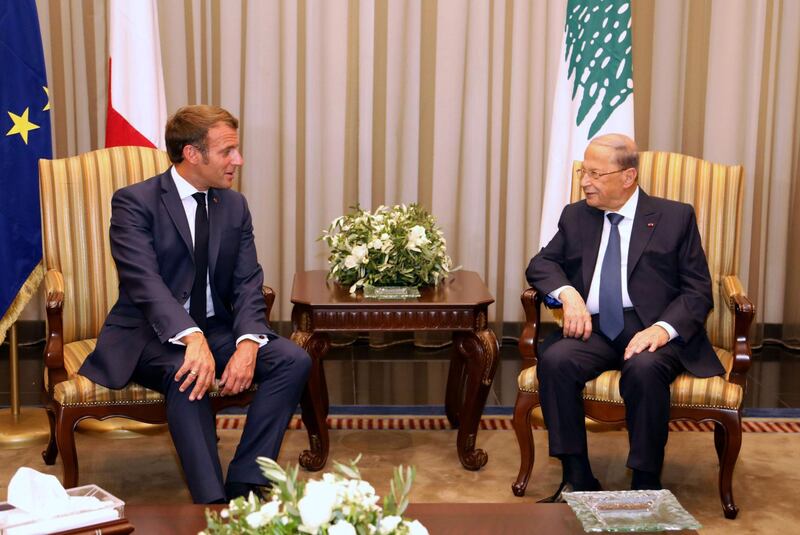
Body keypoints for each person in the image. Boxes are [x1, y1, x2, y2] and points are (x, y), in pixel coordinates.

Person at [80, 105, 311, 504]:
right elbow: (144, 284)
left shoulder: (233, 205)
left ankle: (246, 484)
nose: (237, 160)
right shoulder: (136, 203)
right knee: (188, 372)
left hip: (216, 328)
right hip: (148, 334)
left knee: (292, 359)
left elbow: (247, 282)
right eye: (227, 151)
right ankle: (212, 503)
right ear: (191, 153)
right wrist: (192, 339)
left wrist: (249, 343)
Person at [526, 133, 722, 502]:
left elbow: (698, 290)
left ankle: (646, 481)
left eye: (596, 174)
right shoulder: (576, 215)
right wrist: (569, 295)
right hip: (595, 328)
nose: (585, 181)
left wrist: (663, 330)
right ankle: (577, 478)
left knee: (644, 370)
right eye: (585, 171)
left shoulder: (674, 216)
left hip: (652, 327)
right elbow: (542, 264)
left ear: (628, 176)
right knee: (555, 359)